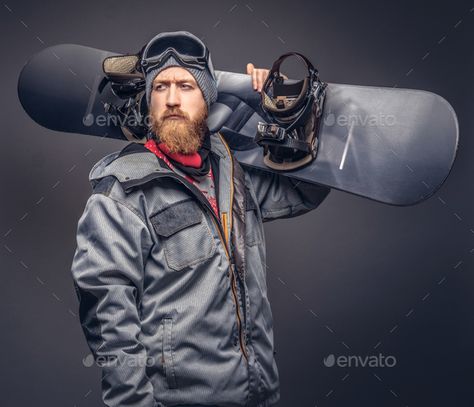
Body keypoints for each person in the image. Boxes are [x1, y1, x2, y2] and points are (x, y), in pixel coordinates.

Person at [70, 31, 330, 407]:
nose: (172, 99)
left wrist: (275, 109)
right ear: (149, 100)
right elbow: (109, 327)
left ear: (206, 99)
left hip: (259, 395)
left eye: (186, 86)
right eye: (160, 87)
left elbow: (305, 191)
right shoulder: (121, 194)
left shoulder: (234, 173)